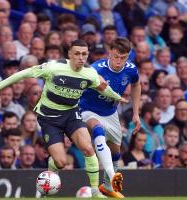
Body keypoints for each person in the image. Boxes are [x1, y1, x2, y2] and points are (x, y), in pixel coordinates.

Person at [0, 39, 126, 198]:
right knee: (61, 162)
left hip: (71, 114)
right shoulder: (54, 67)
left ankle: (95, 191)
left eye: (84, 54)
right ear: (69, 54)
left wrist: (117, 97)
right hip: (49, 118)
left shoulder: (89, 73)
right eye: (77, 53)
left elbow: (103, 88)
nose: (81, 57)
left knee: (88, 148)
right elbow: (26, 72)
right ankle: (53, 167)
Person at [79, 37, 141, 198]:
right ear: (109, 53)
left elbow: (136, 85)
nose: (119, 61)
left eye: (123, 57)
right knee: (97, 130)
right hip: (88, 109)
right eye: (116, 56)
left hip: (111, 112)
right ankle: (113, 176)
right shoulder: (96, 69)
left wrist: (136, 113)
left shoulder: (131, 69)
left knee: (115, 151)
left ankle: (107, 186)